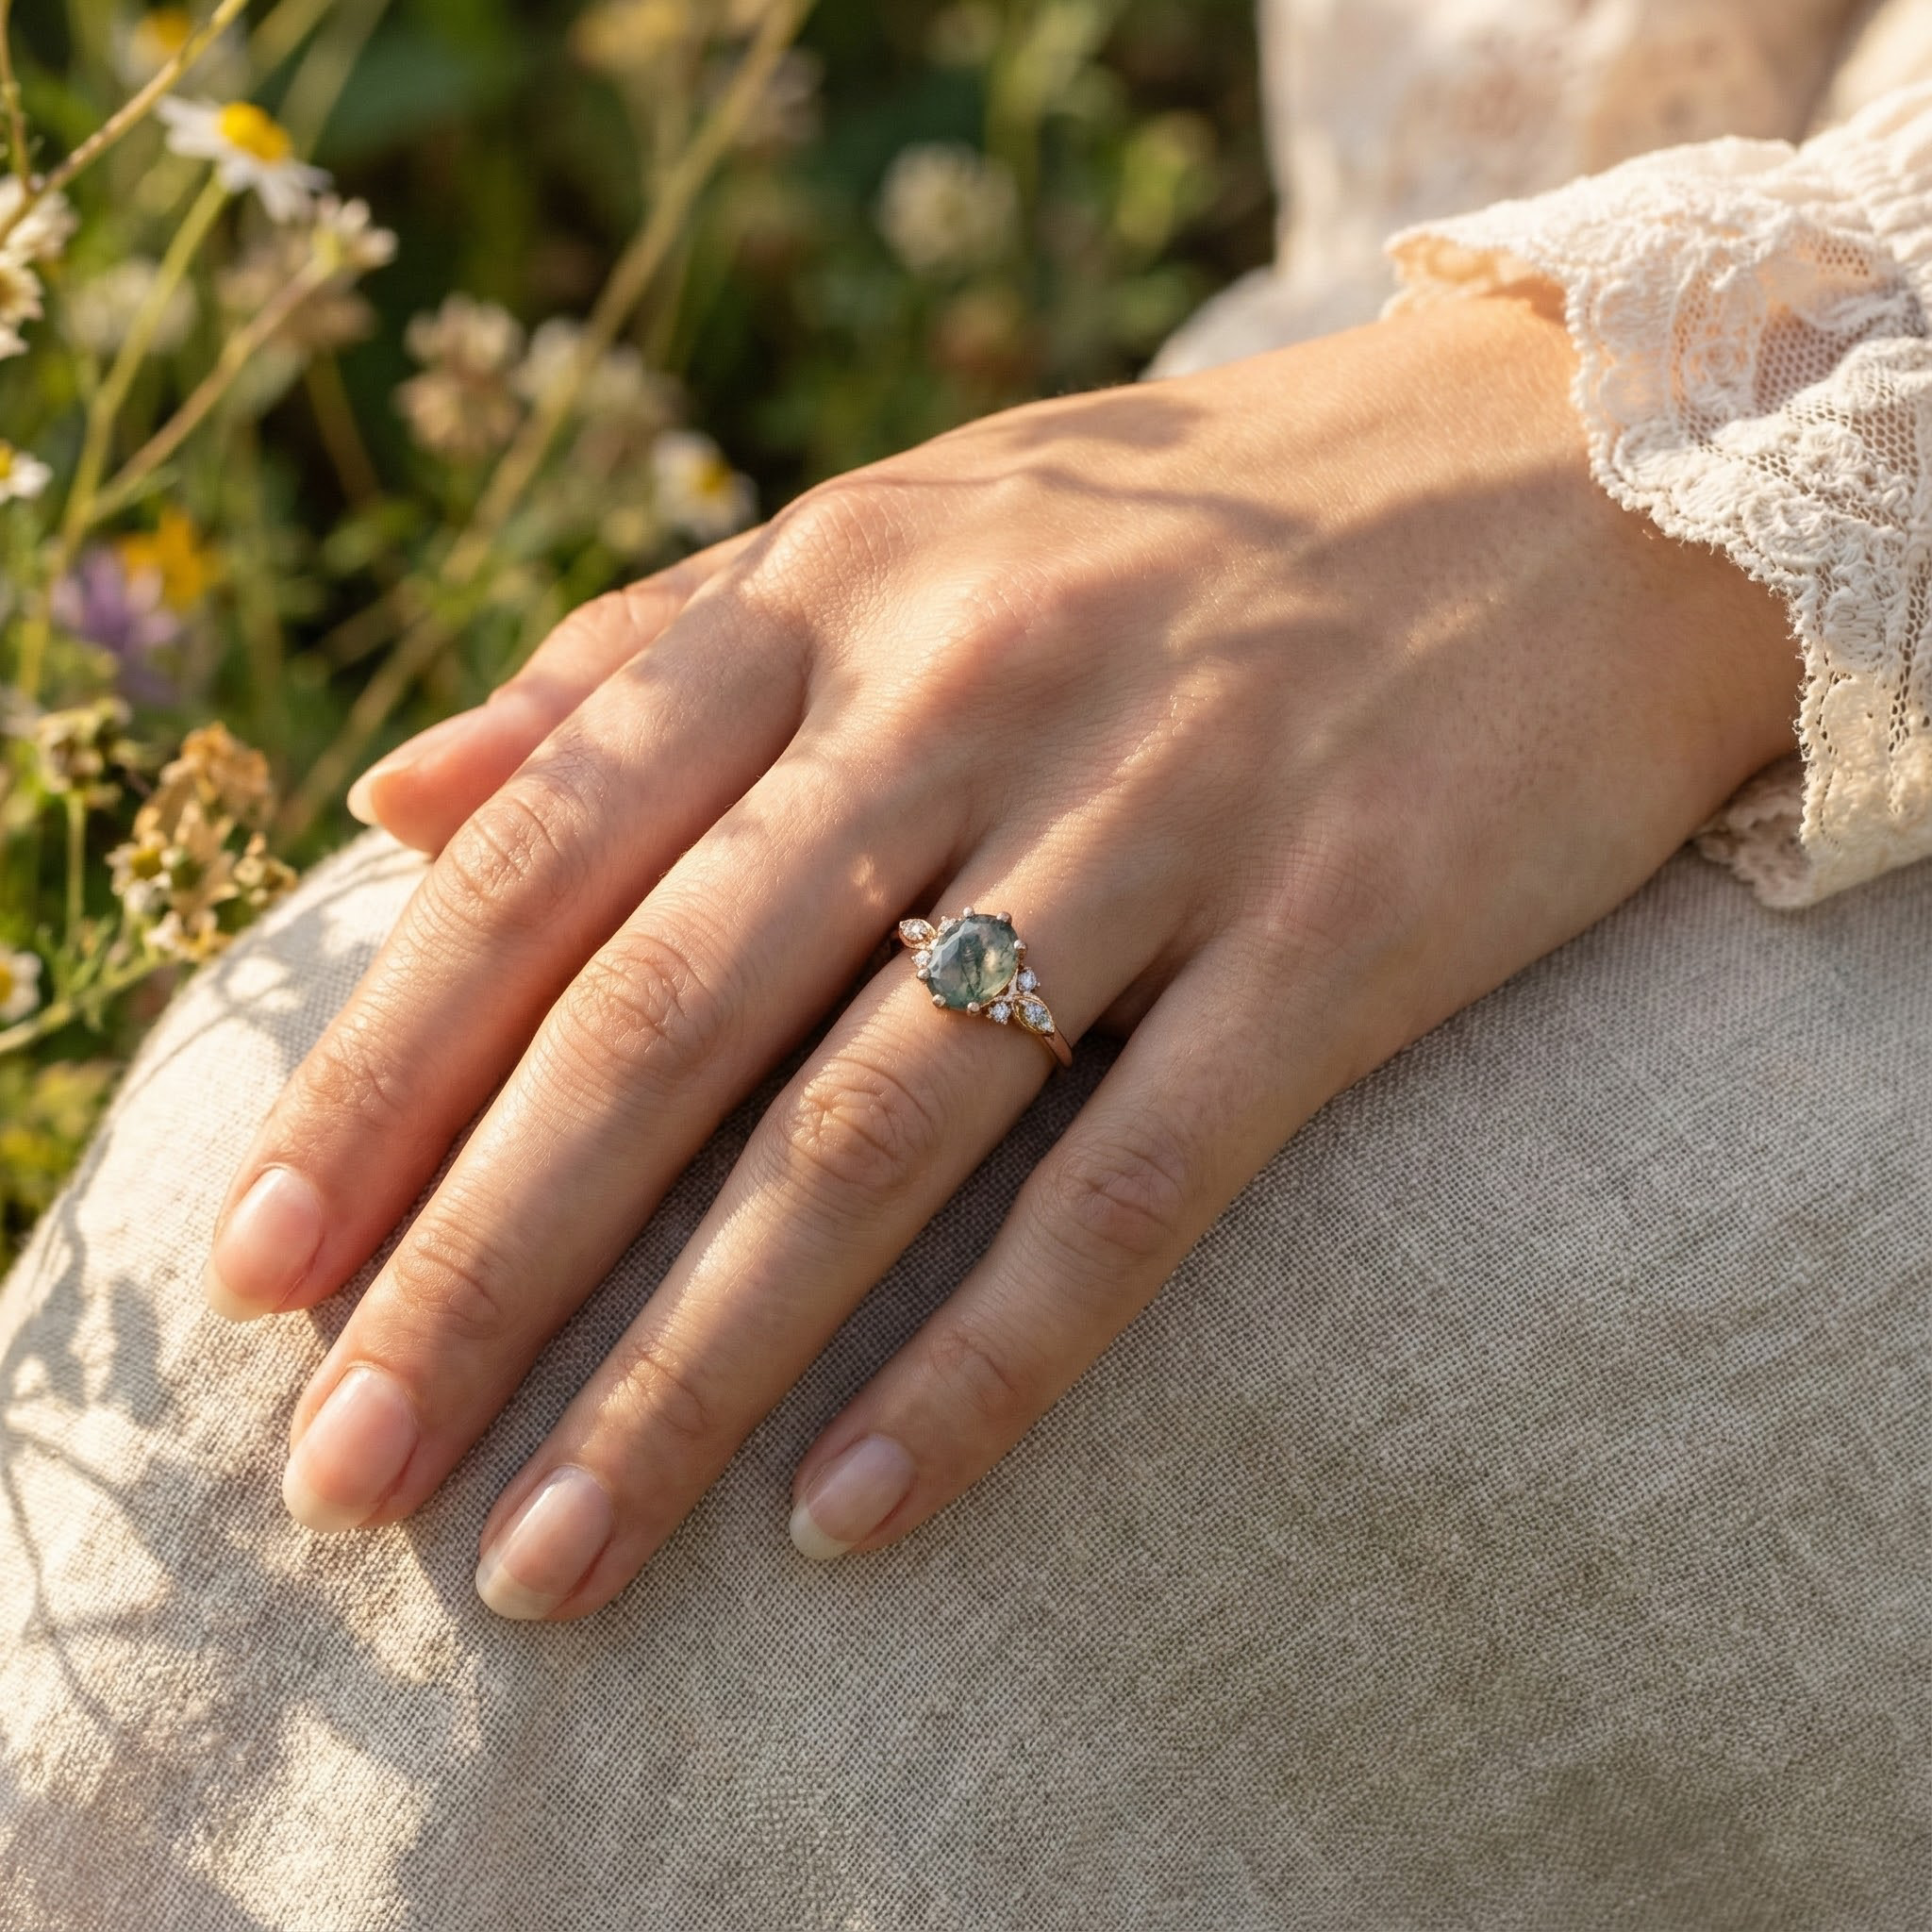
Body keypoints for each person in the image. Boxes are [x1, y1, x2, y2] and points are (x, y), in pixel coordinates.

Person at [4, 2, 1930, 1924]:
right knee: (312, 1158)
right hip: (1369, 430)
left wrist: (1692, 419)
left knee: (732, 1491)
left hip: (1792, 508)